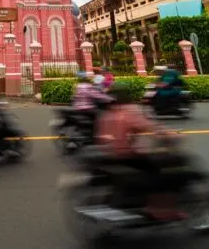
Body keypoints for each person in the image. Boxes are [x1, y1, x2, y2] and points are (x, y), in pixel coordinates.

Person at [95, 81, 184, 221]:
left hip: (109, 154)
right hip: (127, 155)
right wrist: (170, 134)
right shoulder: (129, 111)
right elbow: (149, 126)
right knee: (160, 173)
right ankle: (159, 209)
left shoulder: (108, 112)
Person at [72, 71, 112, 141]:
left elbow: (74, 97)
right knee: (99, 114)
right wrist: (109, 99)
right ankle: (99, 134)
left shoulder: (78, 86)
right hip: (87, 108)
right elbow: (96, 95)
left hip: (77, 107)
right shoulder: (88, 86)